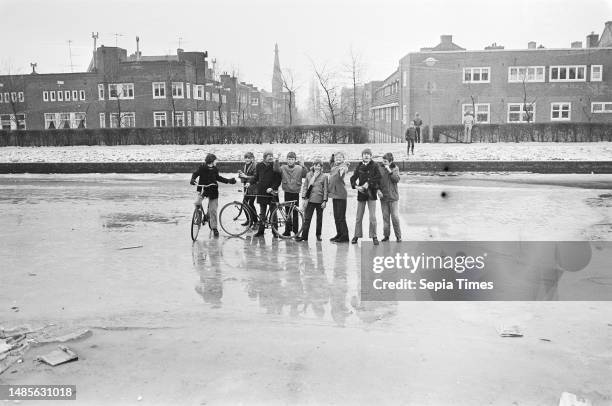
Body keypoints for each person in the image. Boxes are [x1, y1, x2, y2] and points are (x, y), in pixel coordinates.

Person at [190, 153, 237, 237]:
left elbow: (218, 178)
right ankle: (198, 217)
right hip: (203, 189)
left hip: (213, 190)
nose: (217, 162)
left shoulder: (215, 169)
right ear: (211, 161)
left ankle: (214, 228)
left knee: (213, 211)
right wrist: (193, 179)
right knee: (197, 203)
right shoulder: (202, 167)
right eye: (216, 160)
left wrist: (229, 181)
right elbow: (195, 174)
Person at [350, 148, 381, 245]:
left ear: (371, 156)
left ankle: (374, 236)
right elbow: (353, 178)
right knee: (359, 217)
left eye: (368, 154)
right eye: (364, 154)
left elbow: (378, 177)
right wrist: (356, 186)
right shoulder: (359, 166)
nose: (366, 156)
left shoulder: (375, 165)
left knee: (372, 217)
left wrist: (369, 183)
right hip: (362, 193)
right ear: (362, 156)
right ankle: (356, 235)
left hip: (371, 193)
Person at [274, 151, 308, 237]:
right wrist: (277, 160)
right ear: (286, 160)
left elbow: (306, 174)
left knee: (295, 213)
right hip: (287, 192)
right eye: (289, 159)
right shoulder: (283, 167)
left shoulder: (299, 168)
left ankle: (296, 231)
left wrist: (303, 165)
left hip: (295, 193)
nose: (290, 161)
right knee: (287, 213)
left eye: (292, 159)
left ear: (295, 160)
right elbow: (276, 169)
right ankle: (287, 230)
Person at [296, 158, 328, 242]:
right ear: (313, 166)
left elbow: (325, 190)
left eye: (319, 166)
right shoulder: (308, 175)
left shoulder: (324, 176)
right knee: (307, 219)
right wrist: (303, 197)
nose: (317, 167)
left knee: (319, 220)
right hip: (309, 200)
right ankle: (304, 236)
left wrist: (324, 201)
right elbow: (305, 186)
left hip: (320, 201)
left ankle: (318, 235)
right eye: (315, 165)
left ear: (321, 167)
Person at [252, 150, 282, 237]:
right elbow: (256, 177)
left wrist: (272, 188)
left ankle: (275, 232)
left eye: (272, 156)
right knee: (262, 213)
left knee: (273, 213)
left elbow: (278, 180)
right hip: (262, 192)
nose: (271, 157)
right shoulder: (259, 165)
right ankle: (261, 231)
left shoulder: (274, 165)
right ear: (264, 157)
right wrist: (249, 183)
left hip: (272, 193)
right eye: (269, 156)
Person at [377, 152, 401, 242]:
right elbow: (376, 182)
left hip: (393, 197)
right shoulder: (379, 168)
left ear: (390, 162)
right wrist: (378, 190)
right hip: (384, 198)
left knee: (395, 217)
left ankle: (398, 236)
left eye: (386, 161)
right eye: (383, 161)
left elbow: (396, 179)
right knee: (385, 218)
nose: (384, 163)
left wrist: (390, 171)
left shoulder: (395, 168)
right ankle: (386, 236)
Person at [328, 152, 350, 243]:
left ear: (343, 159)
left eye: (340, 157)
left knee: (341, 217)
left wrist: (342, 171)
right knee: (336, 216)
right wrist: (332, 155)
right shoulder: (333, 167)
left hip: (341, 195)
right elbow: (331, 162)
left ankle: (345, 236)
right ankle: (339, 233)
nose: (338, 159)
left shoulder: (343, 166)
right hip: (335, 195)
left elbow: (344, 169)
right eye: (337, 157)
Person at [238, 152, 257, 227]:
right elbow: (245, 177)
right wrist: (241, 175)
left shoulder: (255, 166)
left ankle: (255, 221)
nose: (247, 159)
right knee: (245, 203)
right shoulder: (245, 165)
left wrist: (245, 176)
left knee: (250, 204)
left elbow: (255, 177)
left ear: (252, 158)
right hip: (246, 187)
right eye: (246, 158)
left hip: (253, 187)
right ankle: (249, 220)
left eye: (249, 158)